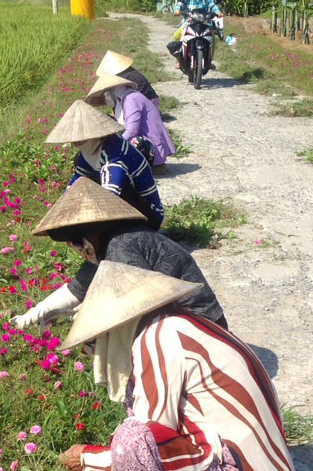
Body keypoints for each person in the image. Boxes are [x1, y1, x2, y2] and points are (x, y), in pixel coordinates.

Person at [57, 261, 304, 471]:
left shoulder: (158, 338)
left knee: (132, 438)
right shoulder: (180, 325)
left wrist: (87, 459)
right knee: (134, 434)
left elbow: (148, 438)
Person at [11, 178, 226, 330]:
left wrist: (84, 315)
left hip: (201, 324)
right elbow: (75, 291)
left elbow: (129, 304)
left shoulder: (122, 246)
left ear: (92, 233)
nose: (78, 250)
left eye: (77, 242)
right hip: (181, 321)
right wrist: (32, 316)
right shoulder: (104, 249)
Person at [45, 99, 164, 229]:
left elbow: (110, 195)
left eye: (80, 137)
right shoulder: (89, 151)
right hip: (129, 206)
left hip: (148, 216)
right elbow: (77, 180)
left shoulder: (113, 155)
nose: (75, 142)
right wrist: (61, 207)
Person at [85, 72, 176, 170]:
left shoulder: (131, 99)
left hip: (152, 147)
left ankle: (146, 168)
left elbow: (132, 130)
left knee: (128, 142)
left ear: (113, 91)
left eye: (105, 94)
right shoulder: (126, 98)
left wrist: (113, 146)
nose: (105, 99)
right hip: (149, 143)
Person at [167, 0, 222, 72]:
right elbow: (180, 3)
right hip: (189, 21)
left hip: (204, 22)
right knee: (176, 36)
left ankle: (209, 60)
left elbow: (212, 5)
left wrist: (218, 12)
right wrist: (177, 9)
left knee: (213, 38)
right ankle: (179, 60)